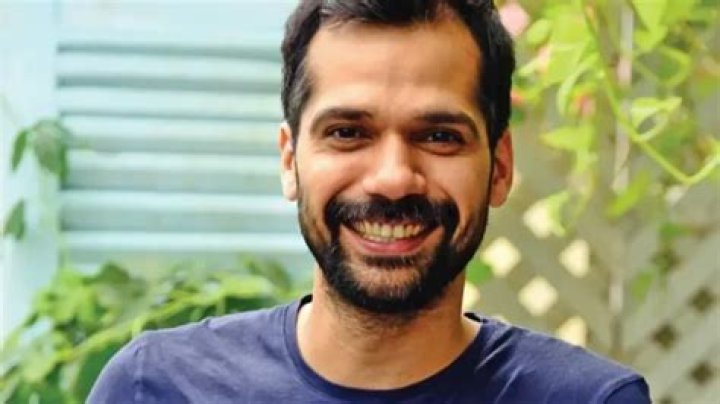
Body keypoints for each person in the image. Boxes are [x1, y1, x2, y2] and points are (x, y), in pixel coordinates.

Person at [89, 1, 651, 402]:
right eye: (348, 133)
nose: (393, 179)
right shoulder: (155, 387)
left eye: (439, 136)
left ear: (499, 168)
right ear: (290, 160)